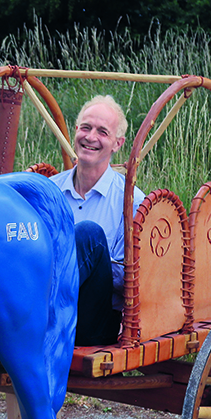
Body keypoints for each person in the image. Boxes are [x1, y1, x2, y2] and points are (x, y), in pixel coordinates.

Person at [48, 95, 145, 346]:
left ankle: (26, 322)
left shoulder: (131, 202)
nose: (91, 137)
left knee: (89, 235)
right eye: (86, 128)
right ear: (75, 131)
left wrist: (93, 261)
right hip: (44, 304)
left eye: (102, 132)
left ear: (117, 143)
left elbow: (136, 282)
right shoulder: (50, 190)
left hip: (93, 322)